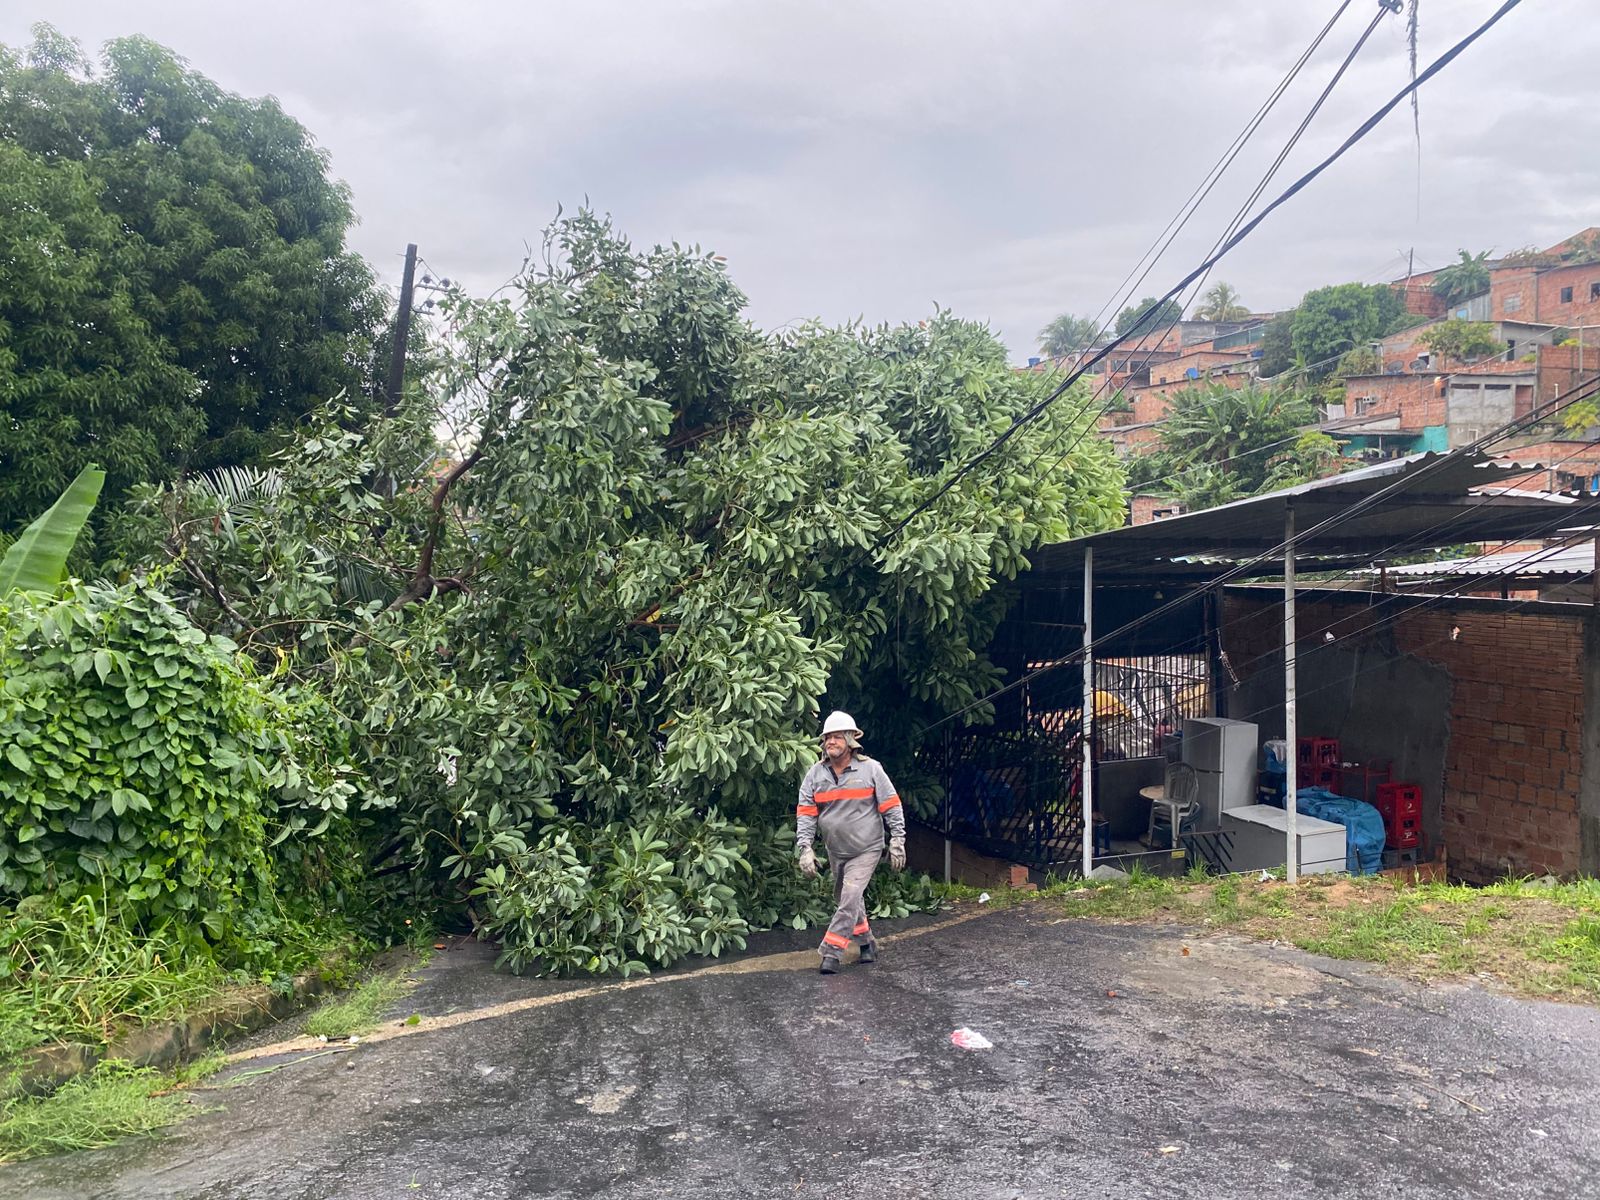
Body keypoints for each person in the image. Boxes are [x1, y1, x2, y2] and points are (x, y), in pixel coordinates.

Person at [795, 710, 906, 975]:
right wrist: (805, 849)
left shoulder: (870, 769)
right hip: (836, 850)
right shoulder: (815, 775)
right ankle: (867, 942)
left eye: (835, 737)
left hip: (866, 849)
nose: (830, 742)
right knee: (845, 899)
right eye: (827, 738)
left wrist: (897, 840)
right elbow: (806, 813)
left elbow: (892, 806)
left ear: (849, 739)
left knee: (850, 895)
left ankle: (831, 953)